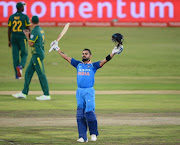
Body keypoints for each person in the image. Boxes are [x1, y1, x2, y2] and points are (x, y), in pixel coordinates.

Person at [49, 33, 124, 142]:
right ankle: (82, 137)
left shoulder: (93, 66)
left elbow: (105, 60)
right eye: (83, 54)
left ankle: (93, 133)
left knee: (89, 112)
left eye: (86, 54)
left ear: (90, 56)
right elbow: (66, 57)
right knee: (80, 115)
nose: (84, 55)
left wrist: (113, 53)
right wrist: (57, 48)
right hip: (79, 92)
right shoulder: (78, 64)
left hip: (89, 91)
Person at [12, 16, 51, 101]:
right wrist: (30, 35)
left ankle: (46, 94)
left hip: (37, 55)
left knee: (41, 74)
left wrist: (27, 35)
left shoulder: (35, 31)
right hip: (36, 55)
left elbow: (30, 44)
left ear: (31, 22)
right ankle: (24, 93)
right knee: (28, 74)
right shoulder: (40, 30)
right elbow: (36, 40)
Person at [8, 2, 30, 79]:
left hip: (13, 37)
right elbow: (28, 28)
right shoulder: (25, 17)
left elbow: (9, 29)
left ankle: (17, 75)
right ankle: (20, 66)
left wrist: (9, 40)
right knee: (24, 53)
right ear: (20, 8)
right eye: (23, 7)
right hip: (22, 37)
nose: (24, 8)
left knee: (15, 56)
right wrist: (29, 39)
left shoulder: (11, 17)